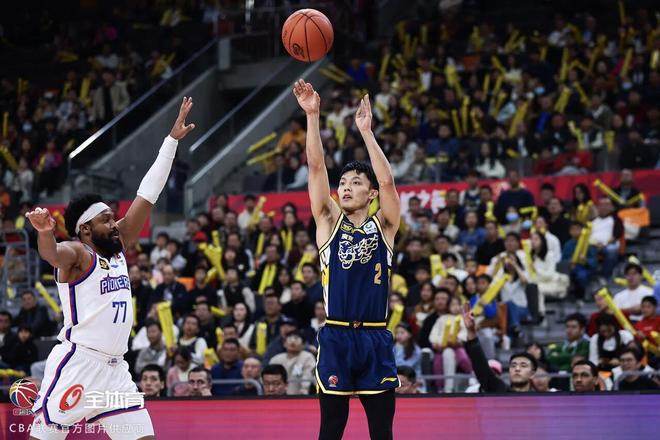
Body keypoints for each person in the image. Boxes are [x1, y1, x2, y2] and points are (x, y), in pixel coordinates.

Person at [24, 97, 194, 438]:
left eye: (113, 218)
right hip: (78, 365)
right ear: (86, 229)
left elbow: (148, 194)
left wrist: (171, 142)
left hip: (116, 371)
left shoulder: (117, 245)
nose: (115, 224)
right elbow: (52, 254)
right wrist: (44, 232)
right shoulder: (78, 253)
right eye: (106, 220)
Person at [294, 79, 399, 440]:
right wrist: (312, 116)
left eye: (355, 182)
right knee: (331, 431)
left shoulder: (384, 226)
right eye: (343, 182)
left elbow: (389, 184)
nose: (346, 187)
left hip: (375, 336)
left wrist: (366, 133)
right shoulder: (328, 221)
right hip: (337, 336)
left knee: (382, 433)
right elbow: (316, 167)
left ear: (370, 194)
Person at [462, 304, 537, 392]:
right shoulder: (500, 390)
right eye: (513, 366)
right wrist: (471, 331)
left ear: (532, 373)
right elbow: (482, 369)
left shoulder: (541, 398)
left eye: (523, 365)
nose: (517, 369)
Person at [429, 296, 472, 393]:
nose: (455, 307)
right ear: (448, 306)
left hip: (457, 347)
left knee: (462, 358)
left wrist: (457, 340)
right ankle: (443, 388)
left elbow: (464, 333)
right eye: (452, 305)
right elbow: (435, 333)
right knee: (439, 363)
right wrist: (436, 343)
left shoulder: (462, 319)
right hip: (442, 348)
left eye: (457, 304)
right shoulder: (442, 318)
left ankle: (471, 377)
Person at [269, 330, 316, 395]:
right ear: (284, 344)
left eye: (296, 339)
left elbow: (307, 377)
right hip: (276, 396)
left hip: (300, 397)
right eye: (290, 339)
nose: (293, 342)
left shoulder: (307, 357)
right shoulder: (276, 359)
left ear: (303, 345)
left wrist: (303, 392)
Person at [590, 196, 624, 277]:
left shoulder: (616, 220)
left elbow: (616, 236)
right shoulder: (592, 221)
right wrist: (595, 244)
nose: (604, 207)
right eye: (601, 205)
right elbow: (587, 236)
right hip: (592, 245)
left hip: (608, 245)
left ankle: (605, 277)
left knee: (612, 250)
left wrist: (603, 245)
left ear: (612, 207)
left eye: (606, 205)